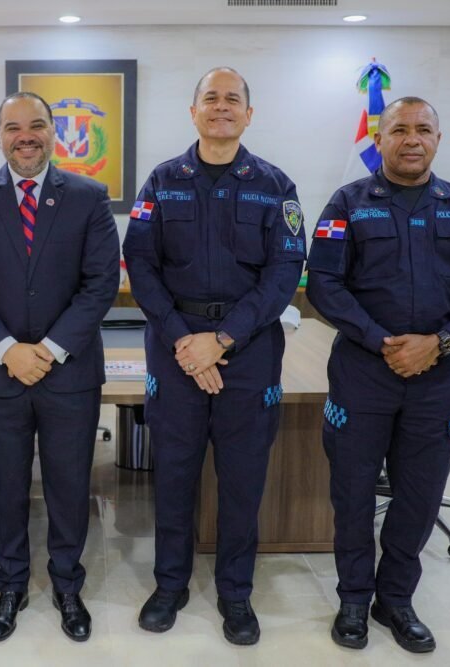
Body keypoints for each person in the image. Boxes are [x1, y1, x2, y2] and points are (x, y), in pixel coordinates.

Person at [306, 97, 450, 653]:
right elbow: (323, 284)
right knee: (351, 491)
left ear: (438, 139)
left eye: (422, 130)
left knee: (419, 494)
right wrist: (381, 341)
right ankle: (352, 597)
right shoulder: (348, 202)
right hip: (362, 373)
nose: (411, 139)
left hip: (437, 377)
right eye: (399, 129)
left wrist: (438, 343)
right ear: (381, 138)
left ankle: (395, 599)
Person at [122, 68, 306, 646]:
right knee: (173, 475)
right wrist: (183, 339)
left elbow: (285, 274)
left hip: (247, 351)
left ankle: (235, 593)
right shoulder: (162, 181)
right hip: (175, 349)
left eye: (233, 100)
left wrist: (221, 340)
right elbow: (140, 265)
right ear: (193, 111)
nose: (221, 107)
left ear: (249, 115)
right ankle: (170, 584)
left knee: (243, 479)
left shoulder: (276, 185)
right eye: (211, 98)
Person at [0, 92, 119, 643]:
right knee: (5, 487)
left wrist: (50, 349)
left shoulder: (89, 197)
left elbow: (100, 284)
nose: (26, 135)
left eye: (37, 125)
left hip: (69, 373)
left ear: (53, 133)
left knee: (69, 487)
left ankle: (67, 585)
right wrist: (6, 348)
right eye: (14, 126)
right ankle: (11, 584)